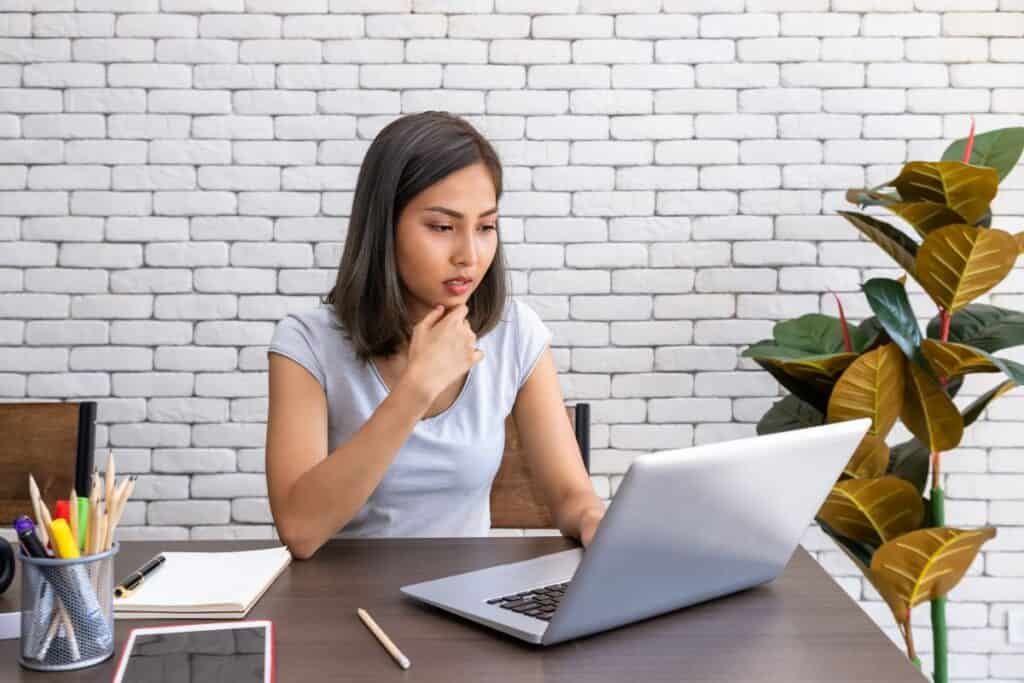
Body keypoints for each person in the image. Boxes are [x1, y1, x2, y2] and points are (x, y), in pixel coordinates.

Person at [265, 111, 606, 560]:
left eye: (485, 227)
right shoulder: (307, 344)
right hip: (337, 604)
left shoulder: (515, 332)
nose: (469, 254)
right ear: (384, 227)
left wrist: (595, 522)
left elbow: (570, 496)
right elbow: (300, 530)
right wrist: (418, 386)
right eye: (443, 228)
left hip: (461, 599)